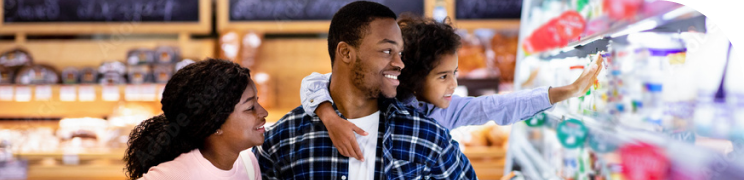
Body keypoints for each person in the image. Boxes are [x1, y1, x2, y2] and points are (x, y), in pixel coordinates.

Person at [300, 15, 603, 160]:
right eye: (443, 76)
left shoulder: (443, 113)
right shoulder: (376, 96)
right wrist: (329, 117)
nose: (454, 84)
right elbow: (315, 82)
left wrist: (564, 92)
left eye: (455, 73)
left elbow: (497, 106)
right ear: (414, 77)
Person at [253, 1, 477, 179]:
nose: (400, 63)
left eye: (400, 53)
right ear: (346, 53)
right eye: (387, 51)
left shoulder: (428, 138)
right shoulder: (283, 140)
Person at [124, 59, 268, 180]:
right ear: (215, 123)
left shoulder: (248, 163)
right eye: (250, 107)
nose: (264, 112)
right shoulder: (174, 175)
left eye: (257, 102)